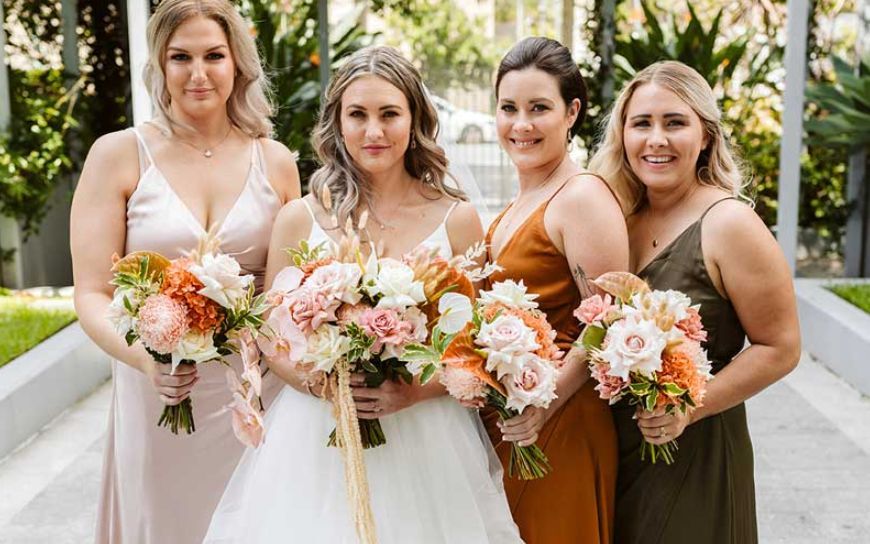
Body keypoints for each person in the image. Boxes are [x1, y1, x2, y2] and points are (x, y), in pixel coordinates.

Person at [203, 45, 521, 544]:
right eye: (358, 115)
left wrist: (414, 390)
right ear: (337, 123)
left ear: (414, 118)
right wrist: (318, 383)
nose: (373, 132)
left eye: (389, 114)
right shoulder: (300, 218)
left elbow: (474, 347)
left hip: (426, 433)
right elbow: (268, 334)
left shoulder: (456, 219)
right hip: (316, 435)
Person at [70, 0, 300, 541]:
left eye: (214, 55)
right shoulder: (119, 155)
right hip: (157, 391)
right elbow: (91, 292)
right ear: (160, 65)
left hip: (255, 393)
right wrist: (147, 361)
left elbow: (288, 288)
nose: (198, 73)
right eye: (181, 57)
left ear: (238, 63)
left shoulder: (276, 161)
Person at [588, 60, 801, 544]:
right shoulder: (616, 216)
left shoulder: (730, 224)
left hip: (696, 449)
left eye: (675, 123)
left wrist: (688, 408)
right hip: (617, 449)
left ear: (705, 135)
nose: (656, 139)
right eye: (641, 123)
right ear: (623, 134)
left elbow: (780, 347)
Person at [482, 37, 629, 543]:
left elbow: (607, 318)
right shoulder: (520, 201)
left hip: (560, 423)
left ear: (572, 112)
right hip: (517, 420)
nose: (520, 125)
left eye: (538, 108)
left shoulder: (582, 196)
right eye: (509, 108)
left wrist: (546, 402)